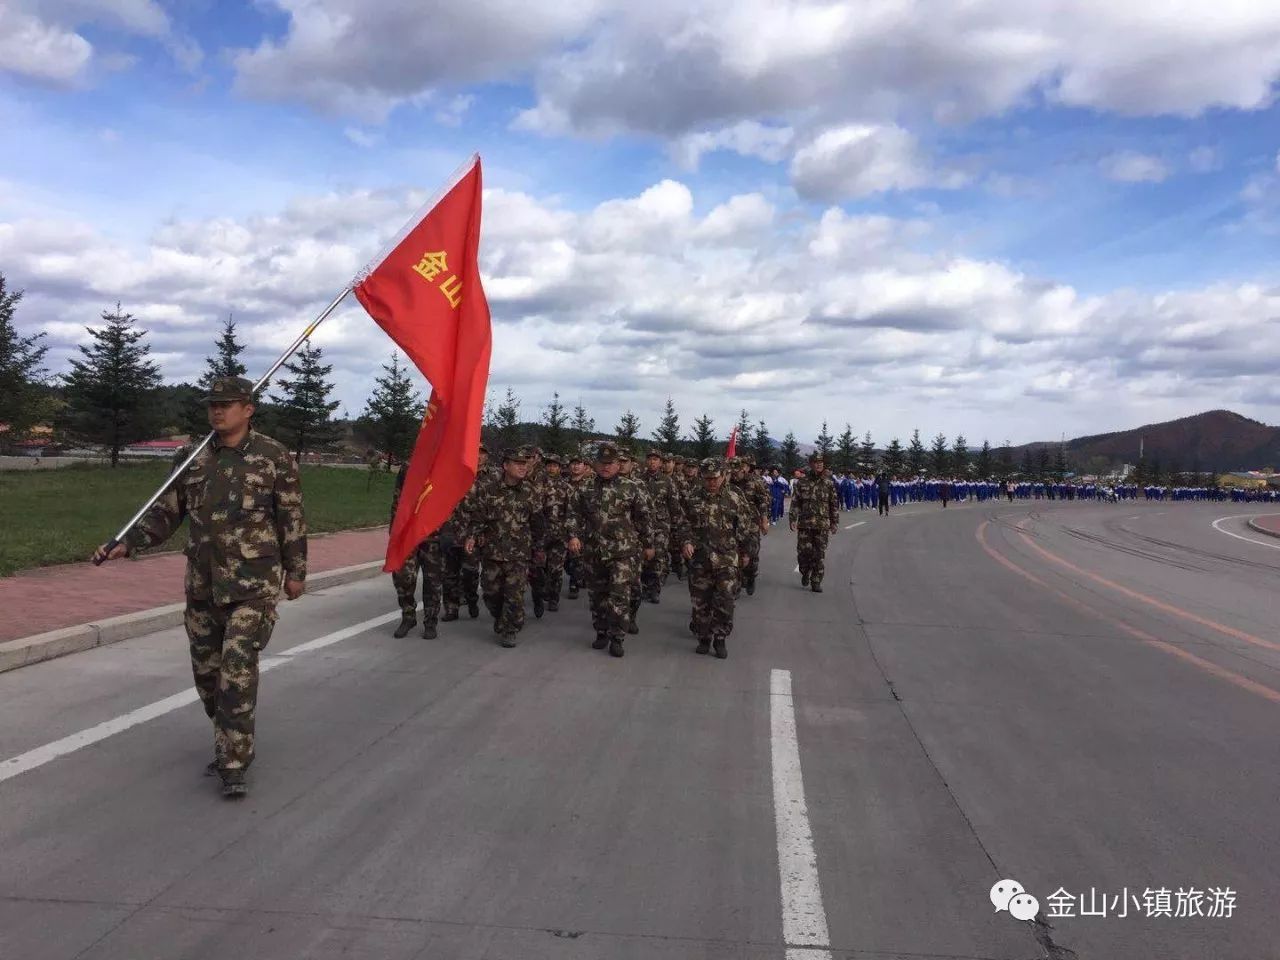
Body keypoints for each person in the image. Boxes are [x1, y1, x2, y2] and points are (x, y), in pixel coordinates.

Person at [92, 376, 306, 799]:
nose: (217, 411)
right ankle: (230, 735)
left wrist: (296, 570)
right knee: (208, 678)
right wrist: (128, 542)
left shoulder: (273, 457)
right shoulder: (190, 459)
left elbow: (291, 518)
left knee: (236, 670)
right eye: (213, 404)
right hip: (203, 587)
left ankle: (233, 764)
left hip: (253, 587)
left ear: (248, 409)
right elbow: (166, 515)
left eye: (227, 404)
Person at [566, 441, 653, 658]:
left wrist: (649, 543)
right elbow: (573, 514)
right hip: (594, 550)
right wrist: (573, 535)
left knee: (619, 595)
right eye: (602, 463)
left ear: (618, 465)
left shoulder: (631, 487)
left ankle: (617, 637)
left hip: (623, 552)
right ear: (594, 464)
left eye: (611, 463)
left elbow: (643, 517)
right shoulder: (585, 488)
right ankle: (601, 631)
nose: (606, 467)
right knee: (597, 596)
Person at [464, 446, 546, 647]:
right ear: (505, 466)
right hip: (492, 551)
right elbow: (478, 516)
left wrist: (540, 548)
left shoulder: (530, 491)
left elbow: (538, 523)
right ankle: (501, 616)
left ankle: (510, 629)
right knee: (491, 593)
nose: (523, 467)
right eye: (518, 463)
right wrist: (472, 536)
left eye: (525, 463)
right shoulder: (489, 489)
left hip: (519, 553)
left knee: (514, 594)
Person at [678, 457, 752, 659]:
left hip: (727, 558)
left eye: (715, 478)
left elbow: (745, 527)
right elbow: (683, 523)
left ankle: (720, 638)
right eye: (707, 478)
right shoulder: (693, 497)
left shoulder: (735, 497)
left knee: (725, 599)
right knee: (701, 601)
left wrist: (746, 552)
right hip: (700, 558)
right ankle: (704, 637)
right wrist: (686, 542)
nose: (711, 482)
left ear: (723, 476)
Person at [389, 460, 444, 639]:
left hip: (434, 535)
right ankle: (408, 615)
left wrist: (450, 531)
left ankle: (430, 621)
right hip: (408, 533)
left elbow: (450, 500)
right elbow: (399, 498)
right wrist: (395, 530)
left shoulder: (445, 465)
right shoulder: (409, 467)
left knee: (432, 581)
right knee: (403, 576)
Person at [788, 452, 839, 592]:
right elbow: (795, 502)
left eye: (821, 462)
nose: (819, 464)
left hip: (822, 525)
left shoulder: (828, 483)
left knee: (819, 554)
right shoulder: (802, 482)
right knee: (804, 553)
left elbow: (833, 504)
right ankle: (805, 571)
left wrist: (834, 522)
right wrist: (793, 518)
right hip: (805, 524)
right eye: (816, 462)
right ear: (811, 464)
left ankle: (816, 581)